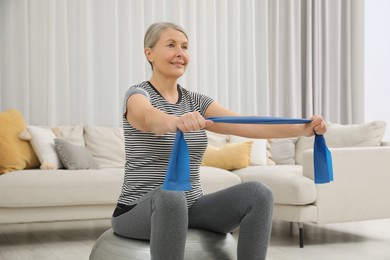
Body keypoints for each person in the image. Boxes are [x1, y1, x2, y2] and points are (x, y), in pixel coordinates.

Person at [111, 22, 327, 260]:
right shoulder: (137, 95)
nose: (180, 53)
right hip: (137, 210)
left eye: (184, 46)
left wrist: (303, 129)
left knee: (258, 194)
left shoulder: (196, 102)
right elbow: (149, 118)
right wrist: (175, 121)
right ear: (148, 53)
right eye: (171, 45)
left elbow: (246, 124)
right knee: (171, 196)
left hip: (191, 207)